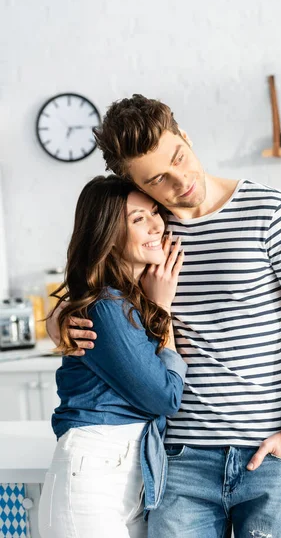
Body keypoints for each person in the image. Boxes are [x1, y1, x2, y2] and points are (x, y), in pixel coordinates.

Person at [47, 95, 281, 538]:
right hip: (178, 460)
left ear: (185, 136)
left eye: (179, 157)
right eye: (158, 180)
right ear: (137, 185)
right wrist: (60, 319)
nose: (180, 181)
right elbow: (94, 283)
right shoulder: (148, 231)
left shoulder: (271, 212)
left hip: (269, 453)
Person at [39, 174, 187, 538]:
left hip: (124, 478)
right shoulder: (107, 307)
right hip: (94, 475)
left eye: (155, 212)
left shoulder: (126, 302)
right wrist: (163, 309)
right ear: (108, 236)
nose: (156, 224)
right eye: (138, 219)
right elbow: (164, 396)